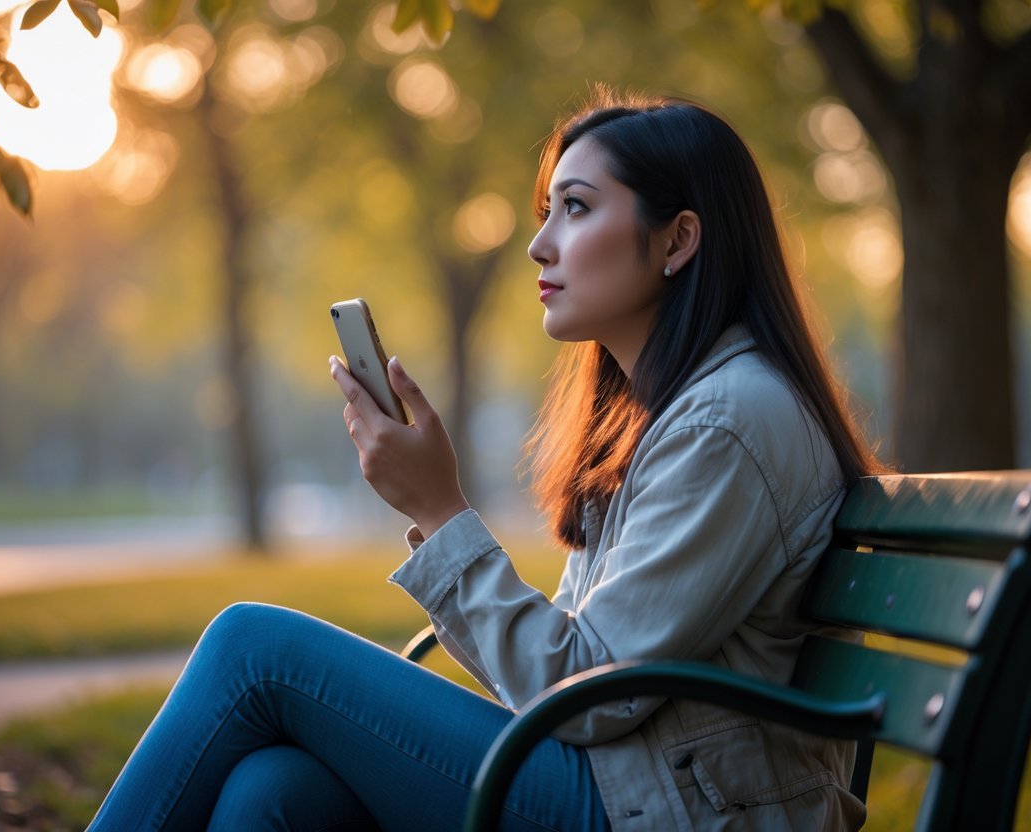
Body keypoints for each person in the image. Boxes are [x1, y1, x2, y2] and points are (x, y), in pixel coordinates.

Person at [88, 88, 879, 831]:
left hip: (663, 809)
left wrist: (438, 510)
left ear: (677, 239)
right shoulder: (675, 415)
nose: (539, 244)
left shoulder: (729, 421)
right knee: (272, 793)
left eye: (575, 208)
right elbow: (584, 676)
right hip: (632, 781)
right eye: (548, 212)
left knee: (251, 649)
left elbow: (587, 691)